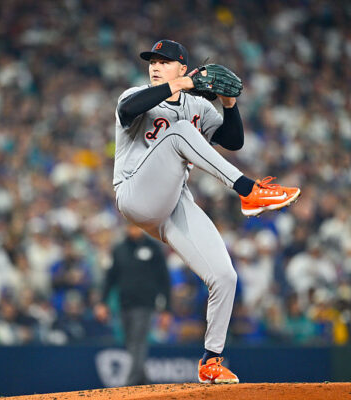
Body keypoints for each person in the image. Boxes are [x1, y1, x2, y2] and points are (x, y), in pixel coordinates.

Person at [112, 39, 301, 384]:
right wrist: (181, 84)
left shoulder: (198, 106)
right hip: (134, 193)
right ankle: (249, 192)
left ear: (182, 66)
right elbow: (128, 111)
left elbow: (233, 140)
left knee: (224, 276)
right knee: (180, 131)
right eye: (152, 61)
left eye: (164, 61)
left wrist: (230, 105)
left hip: (173, 201)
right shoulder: (134, 95)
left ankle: (211, 361)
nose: (155, 66)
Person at [95, 224, 171, 386]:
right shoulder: (119, 249)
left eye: (135, 225)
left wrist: (167, 310)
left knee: (138, 342)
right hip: (124, 304)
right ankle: (143, 382)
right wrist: (103, 303)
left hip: (145, 304)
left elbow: (164, 280)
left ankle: (129, 385)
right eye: (129, 225)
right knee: (130, 343)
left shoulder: (154, 249)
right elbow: (111, 278)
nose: (132, 229)